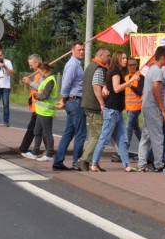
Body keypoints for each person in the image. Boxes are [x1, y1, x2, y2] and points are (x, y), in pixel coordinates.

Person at [90, 51, 135, 171]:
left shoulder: (116, 71)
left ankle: (127, 165)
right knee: (104, 138)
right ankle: (94, 163)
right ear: (117, 59)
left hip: (117, 111)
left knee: (122, 138)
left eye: (126, 58)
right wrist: (130, 82)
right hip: (112, 111)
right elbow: (116, 88)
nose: (126, 60)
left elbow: (110, 86)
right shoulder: (115, 71)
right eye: (123, 58)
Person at [136, 46, 165, 172]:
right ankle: (159, 165)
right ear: (162, 58)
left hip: (146, 106)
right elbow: (156, 89)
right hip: (153, 107)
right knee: (157, 137)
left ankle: (142, 164)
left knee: (146, 136)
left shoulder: (151, 69)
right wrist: (162, 110)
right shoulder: (157, 71)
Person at [52, 42, 86, 171]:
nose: (82, 52)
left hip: (72, 101)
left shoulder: (76, 64)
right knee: (81, 133)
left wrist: (65, 99)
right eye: (79, 50)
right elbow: (65, 86)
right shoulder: (73, 65)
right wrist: (64, 99)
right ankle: (76, 162)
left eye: (83, 50)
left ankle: (58, 161)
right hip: (75, 101)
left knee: (69, 132)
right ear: (73, 51)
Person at [77, 47, 110, 172]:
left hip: (87, 104)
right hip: (94, 105)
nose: (109, 58)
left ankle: (93, 162)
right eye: (107, 55)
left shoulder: (90, 66)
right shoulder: (98, 68)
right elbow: (96, 86)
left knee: (94, 134)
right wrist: (102, 102)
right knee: (99, 134)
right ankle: (84, 159)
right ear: (101, 55)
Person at [30, 62, 59, 166]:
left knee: (47, 133)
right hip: (41, 110)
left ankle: (49, 155)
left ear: (44, 71)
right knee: (37, 131)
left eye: (40, 71)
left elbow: (45, 95)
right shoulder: (46, 79)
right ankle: (35, 152)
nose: (39, 74)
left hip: (47, 111)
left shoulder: (50, 80)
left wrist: (36, 96)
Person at [18, 54, 45, 159]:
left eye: (31, 65)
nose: (30, 67)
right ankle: (26, 148)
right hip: (37, 106)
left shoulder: (43, 73)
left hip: (40, 106)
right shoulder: (38, 73)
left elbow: (42, 89)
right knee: (36, 129)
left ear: (37, 63)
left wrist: (30, 83)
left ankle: (25, 148)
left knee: (37, 129)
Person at [0, 48, 14, 126]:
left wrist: (5, 66)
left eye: (0, 55)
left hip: (6, 86)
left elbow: (11, 72)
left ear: (3, 55)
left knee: (6, 104)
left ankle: (6, 121)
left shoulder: (8, 62)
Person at [124, 57, 145, 147]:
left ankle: (124, 152)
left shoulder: (140, 77)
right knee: (136, 128)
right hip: (129, 107)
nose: (132, 67)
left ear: (137, 65)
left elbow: (140, 92)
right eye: (130, 65)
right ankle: (144, 149)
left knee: (128, 129)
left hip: (136, 106)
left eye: (134, 65)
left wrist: (130, 85)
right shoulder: (126, 77)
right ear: (127, 66)